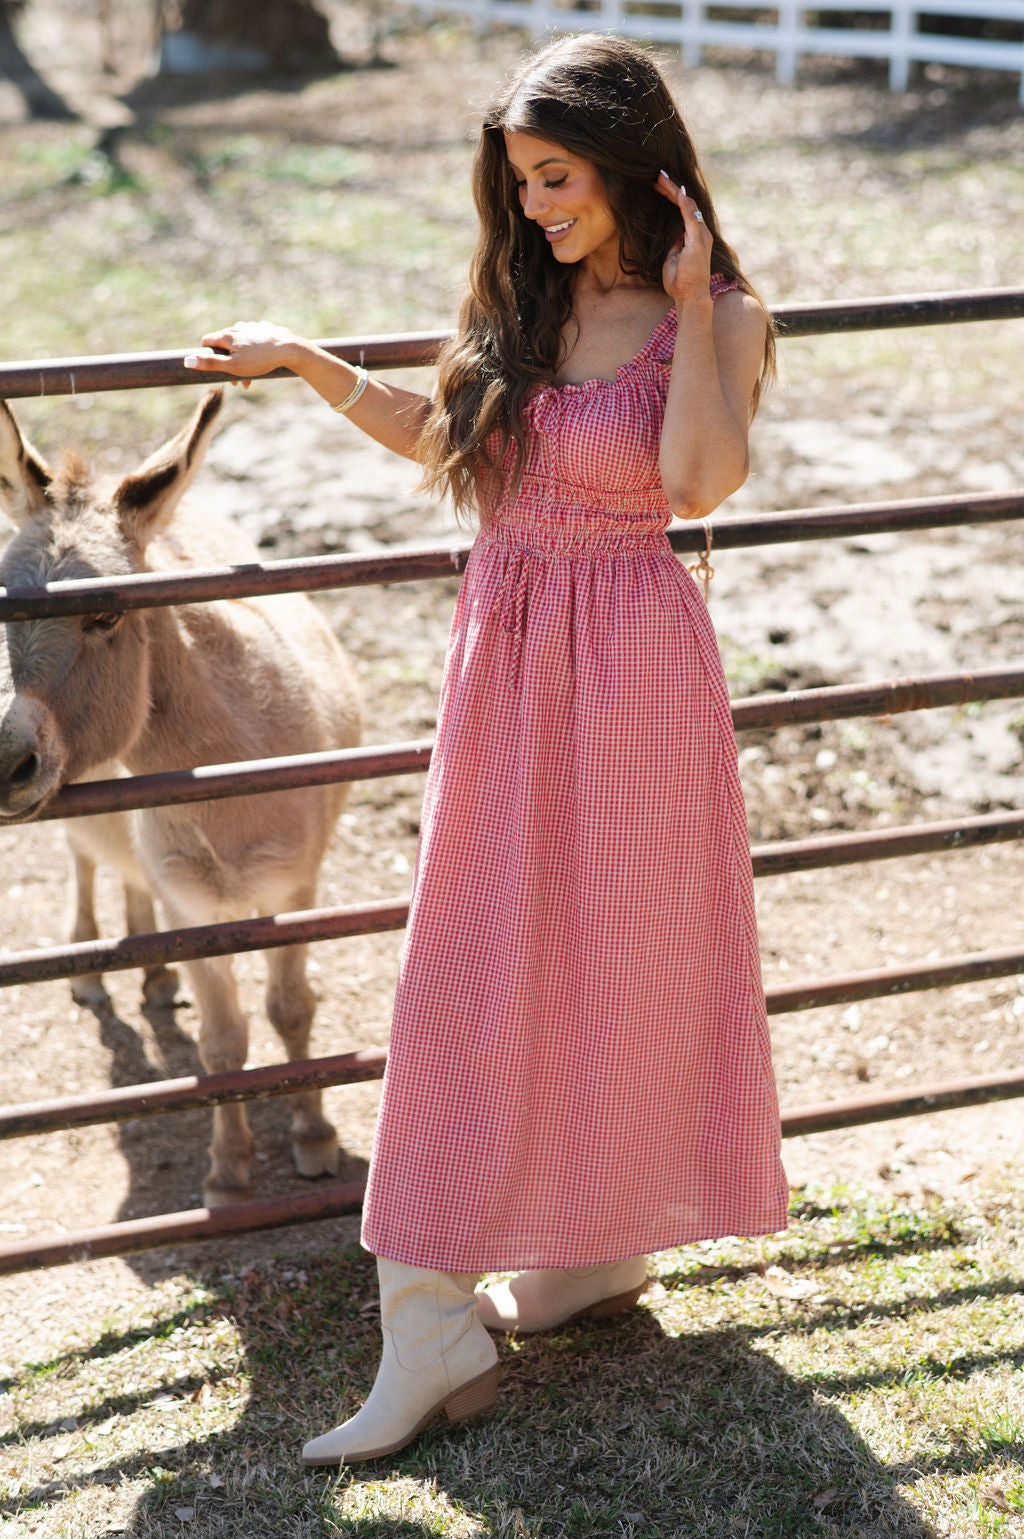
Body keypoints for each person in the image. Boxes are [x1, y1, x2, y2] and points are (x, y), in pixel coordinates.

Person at [185, 31, 789, 1468]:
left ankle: (588, 1250)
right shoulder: (521, 298)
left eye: (555, 175)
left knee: (619, 953)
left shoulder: (723, 314)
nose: (531, 205)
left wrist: (697, 304)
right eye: (518, 179)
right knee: (466, 968)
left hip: (638, 666)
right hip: (508, 661)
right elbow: (442, 440)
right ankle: (434, 1320)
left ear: (639, 166)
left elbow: (698, 484)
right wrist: (306, 359)